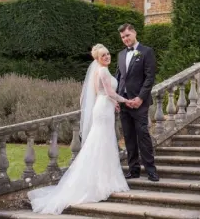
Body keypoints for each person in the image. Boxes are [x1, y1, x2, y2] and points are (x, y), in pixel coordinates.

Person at [27, 44, 130, 215]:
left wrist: (114, 104)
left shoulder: (100, 71)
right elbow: (110, 92)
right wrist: (126, 101)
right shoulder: (103, 71)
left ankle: (103, 180)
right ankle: (101, 183)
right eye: (103, 55)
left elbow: (100, 92)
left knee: (102, 144)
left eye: (108, 54)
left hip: (104, 107)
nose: (107, 57)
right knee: (101, 143)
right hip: (103, 111)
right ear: (97, 59)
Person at [115, 23, 159, 182]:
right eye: (123, 37)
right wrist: (116, 98)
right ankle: (133, 170)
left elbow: (149, 78)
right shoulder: (120, 55)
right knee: (128, 137)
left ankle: (151, 170)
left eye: (127, 35)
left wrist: (140, 98)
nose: (125, 39)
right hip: (124, 103)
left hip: (139, 103)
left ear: (134, 33)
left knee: (143, 135)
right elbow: (118, 78)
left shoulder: (146, 52)